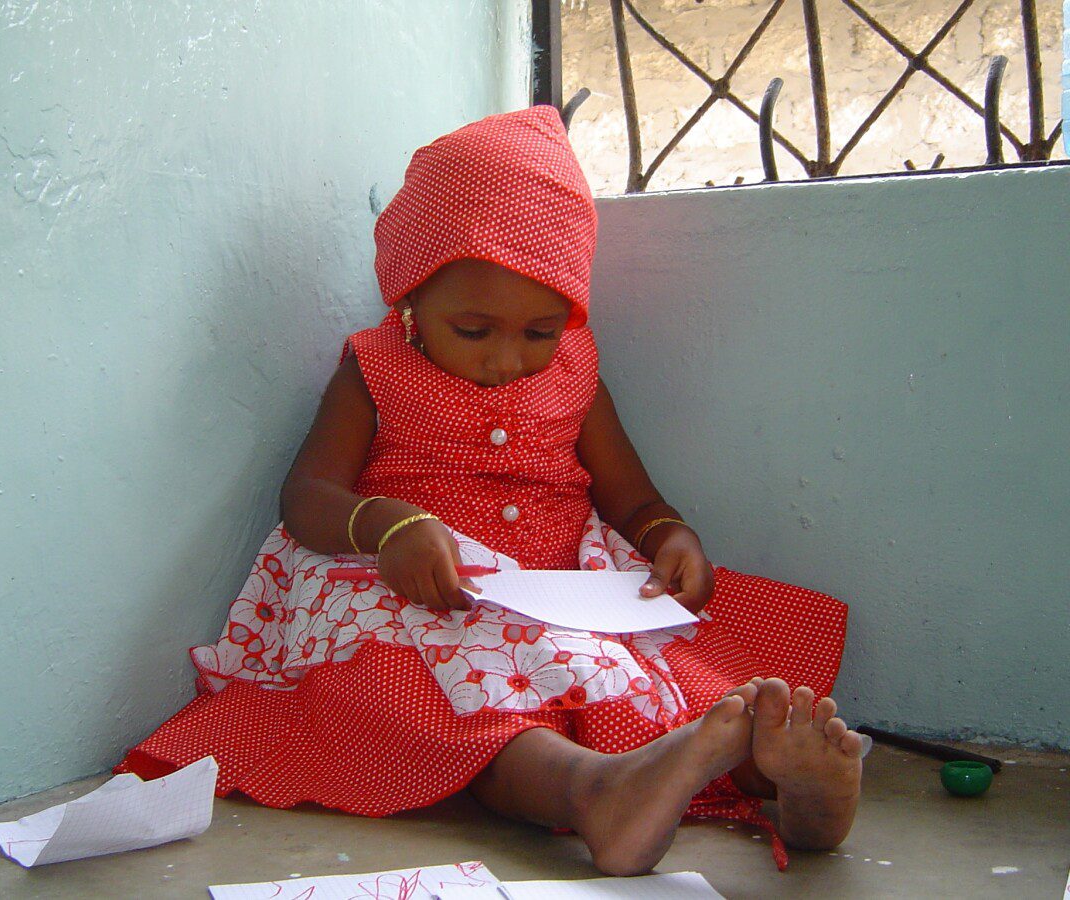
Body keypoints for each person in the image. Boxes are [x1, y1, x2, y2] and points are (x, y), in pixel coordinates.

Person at [117, 106, 865, 875]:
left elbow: (633, 499)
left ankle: (773, 774)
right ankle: (593, 790)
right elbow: (307, 495)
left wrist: (668, 537)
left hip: (561, 600)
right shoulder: (375, 370)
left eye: (539, 332)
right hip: (420, 601)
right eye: (474, 331)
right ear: (411, 299)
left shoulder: (577, 373)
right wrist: (387, 526)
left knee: (641, 679)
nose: (507, 359)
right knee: (451, 704)